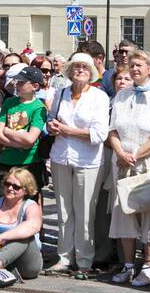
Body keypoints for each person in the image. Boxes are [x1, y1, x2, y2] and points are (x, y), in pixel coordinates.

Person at [107, 49, 150, 287]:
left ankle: (148, 266)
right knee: (124, 213)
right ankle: (128, 265)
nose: (134, 69)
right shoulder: (121, 96)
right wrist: (120, 153)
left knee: (149, 213)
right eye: (131, 65)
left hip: (146, 162)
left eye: (139, 65)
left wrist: (134, 154)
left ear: (149, 68)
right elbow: (112, 129)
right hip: (122, 163)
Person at [46, 52, 110, 279]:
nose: (80, 70)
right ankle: (64, 257)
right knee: (63, 211)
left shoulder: (99, 97)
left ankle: (84, 260)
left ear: (91, 71)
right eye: (76, 66)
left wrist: (67, 131)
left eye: (84, 66)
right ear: (70, 70)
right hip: (61, 156)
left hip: (88, 161)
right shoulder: (62, 92)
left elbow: (99, 133)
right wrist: (52, 127)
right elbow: (50, 122)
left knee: (84, 213)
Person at [0, 65, 47, 192]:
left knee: (30, 199)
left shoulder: (39, 107)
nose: (17, 84)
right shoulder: (9, 103)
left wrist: (7, 131)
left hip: (29, 162)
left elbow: (30, 139)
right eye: (17, 81)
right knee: (6, 198)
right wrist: (18, 144)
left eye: (22, 82)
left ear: (35, 86)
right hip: (7, 160)